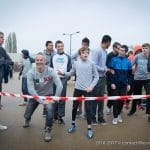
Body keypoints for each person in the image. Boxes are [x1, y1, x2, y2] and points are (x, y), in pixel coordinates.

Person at [58, 47, 99, 139]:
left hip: (87, 90)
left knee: (88, 109)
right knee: (74, 107)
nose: (85, 54)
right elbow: (72, 73)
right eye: (83, 52)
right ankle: (73, 125)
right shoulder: (76, 63)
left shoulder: (92, 64)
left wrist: (91, 86)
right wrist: (64, 73)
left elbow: (96, 77)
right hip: (77, 89)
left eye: (87, 52)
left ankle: (89, 129)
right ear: (80, 54)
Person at [23, 52, 63, 142]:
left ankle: (48, 130)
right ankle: (27, 119)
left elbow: (60, 85)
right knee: (27, 113)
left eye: (41, 60)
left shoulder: (51, 71)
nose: (39, 61)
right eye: (37, 60)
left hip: (48, 96)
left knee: (49, 111)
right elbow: (30, 90)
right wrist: (40, 101)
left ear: (45, 61)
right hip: (35, 95)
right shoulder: (31, 72)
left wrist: (55, 98)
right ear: (35, 61)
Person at [90, 35, 111, 125]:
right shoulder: (96, 50)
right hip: (96, 78)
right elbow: (93, 64)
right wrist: (104, 69)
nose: (109, 45)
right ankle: (93, 118)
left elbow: (103, 64)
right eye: (109, 43)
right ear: (107, 42)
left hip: (103, 78)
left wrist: (106, 68)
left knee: (101, 99)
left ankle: (101, 117)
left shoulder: (105, 52)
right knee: (95, 98)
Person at [109, 45, 132, 125]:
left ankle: (118, 114)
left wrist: (129, 84)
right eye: (120, 50)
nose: (120, 51)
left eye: (123, 50)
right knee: (115, 101)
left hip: (124, 84)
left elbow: (129, 74)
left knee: (122, 101)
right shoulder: (113, 60)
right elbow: (111, 72)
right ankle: (115, 117)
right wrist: (112, 83)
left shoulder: (128, 62)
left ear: (126, 52)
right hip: (115, 84)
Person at [50, 40, 72, 125]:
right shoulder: (53, 56)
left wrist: (66, 79)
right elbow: (51, 68)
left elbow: (70, 70)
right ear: (56, 47)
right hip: (54, 80)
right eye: (58, 46)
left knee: (62, 99)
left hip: (63, 80)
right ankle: (54, 116)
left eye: (62, 46)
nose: (60, 48)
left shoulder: (68, 57)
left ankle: (60, 117)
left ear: (63, 47)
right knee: (54, 98)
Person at [128, 43, 150, 122]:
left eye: (146, 48)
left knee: (149, 95)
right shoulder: (137, 56)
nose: (144, 49)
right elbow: (130, 65)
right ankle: (133, 110)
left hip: (147, 78)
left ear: (149, 49)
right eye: (143, 48)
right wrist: (133, 67)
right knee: (136, 96)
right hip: (137, 78)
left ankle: (149, 113)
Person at [72, 37, 90, 117]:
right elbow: (71, 57)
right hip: (79, 75)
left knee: (87, 96)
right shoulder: (78, 52)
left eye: (85, 45)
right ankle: (79, 110)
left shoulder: (90, 52)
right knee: (78, 96)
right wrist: (75, 65)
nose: (83, 46)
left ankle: (86, 112)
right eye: (82, 44)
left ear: (88, 45)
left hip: (88, 77)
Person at [0, 31, 13, 130]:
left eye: (3, 37)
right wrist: (3, 61)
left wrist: (4, 61)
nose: (3, 39)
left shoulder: (2, 49)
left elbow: (10, 60)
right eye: (1, 37)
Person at [106, 42, 121, 114]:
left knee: (116, 93)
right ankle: (109, 106)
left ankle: (114, 107)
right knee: (110, 93)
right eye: (117, 48)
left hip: (117, 78)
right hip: (110, 78)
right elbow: (106, 66)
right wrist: (110, 70)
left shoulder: (119, 55)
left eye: (119, 48)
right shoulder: (109, 55)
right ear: (113, 48)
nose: (119, 50)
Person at [42, 41, 56, 116]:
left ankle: (51, 110)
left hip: (53, 76)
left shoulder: (55, 54)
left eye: (52, 45)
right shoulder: (43, 54)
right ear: (46, 46)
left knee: (52, 93)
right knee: (46, 94)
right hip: (45, 76)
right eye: (50, 45)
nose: (52, 46)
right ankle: (45, 110)